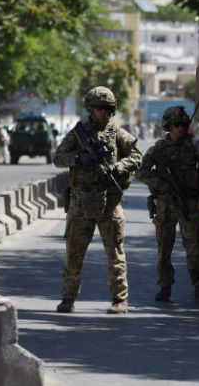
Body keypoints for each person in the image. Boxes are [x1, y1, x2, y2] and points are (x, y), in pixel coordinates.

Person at [54, 86, 142, 314]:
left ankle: (120, 299)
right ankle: (68, 298)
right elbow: (58, 157)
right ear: (90, 109)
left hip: (109, 203)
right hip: (81, 202)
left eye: (107, 108)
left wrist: (119, 167)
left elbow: (136, 155)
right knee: (73, 254)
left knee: (115, 254)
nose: (104, 112)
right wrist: (78, 158)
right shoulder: (78, 133)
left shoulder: (118, 134)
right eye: (99, 108)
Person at [139, 106, 199, 304]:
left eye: (184, 124)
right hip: (166, 205)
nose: (181, 128)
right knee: (164, 247)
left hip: (188, 203)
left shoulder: (193, 147)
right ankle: (165, 287)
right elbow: (142, 172)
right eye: (177, 125)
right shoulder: (158, 149)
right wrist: (161, 185)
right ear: (168, 126)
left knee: (194, 247)